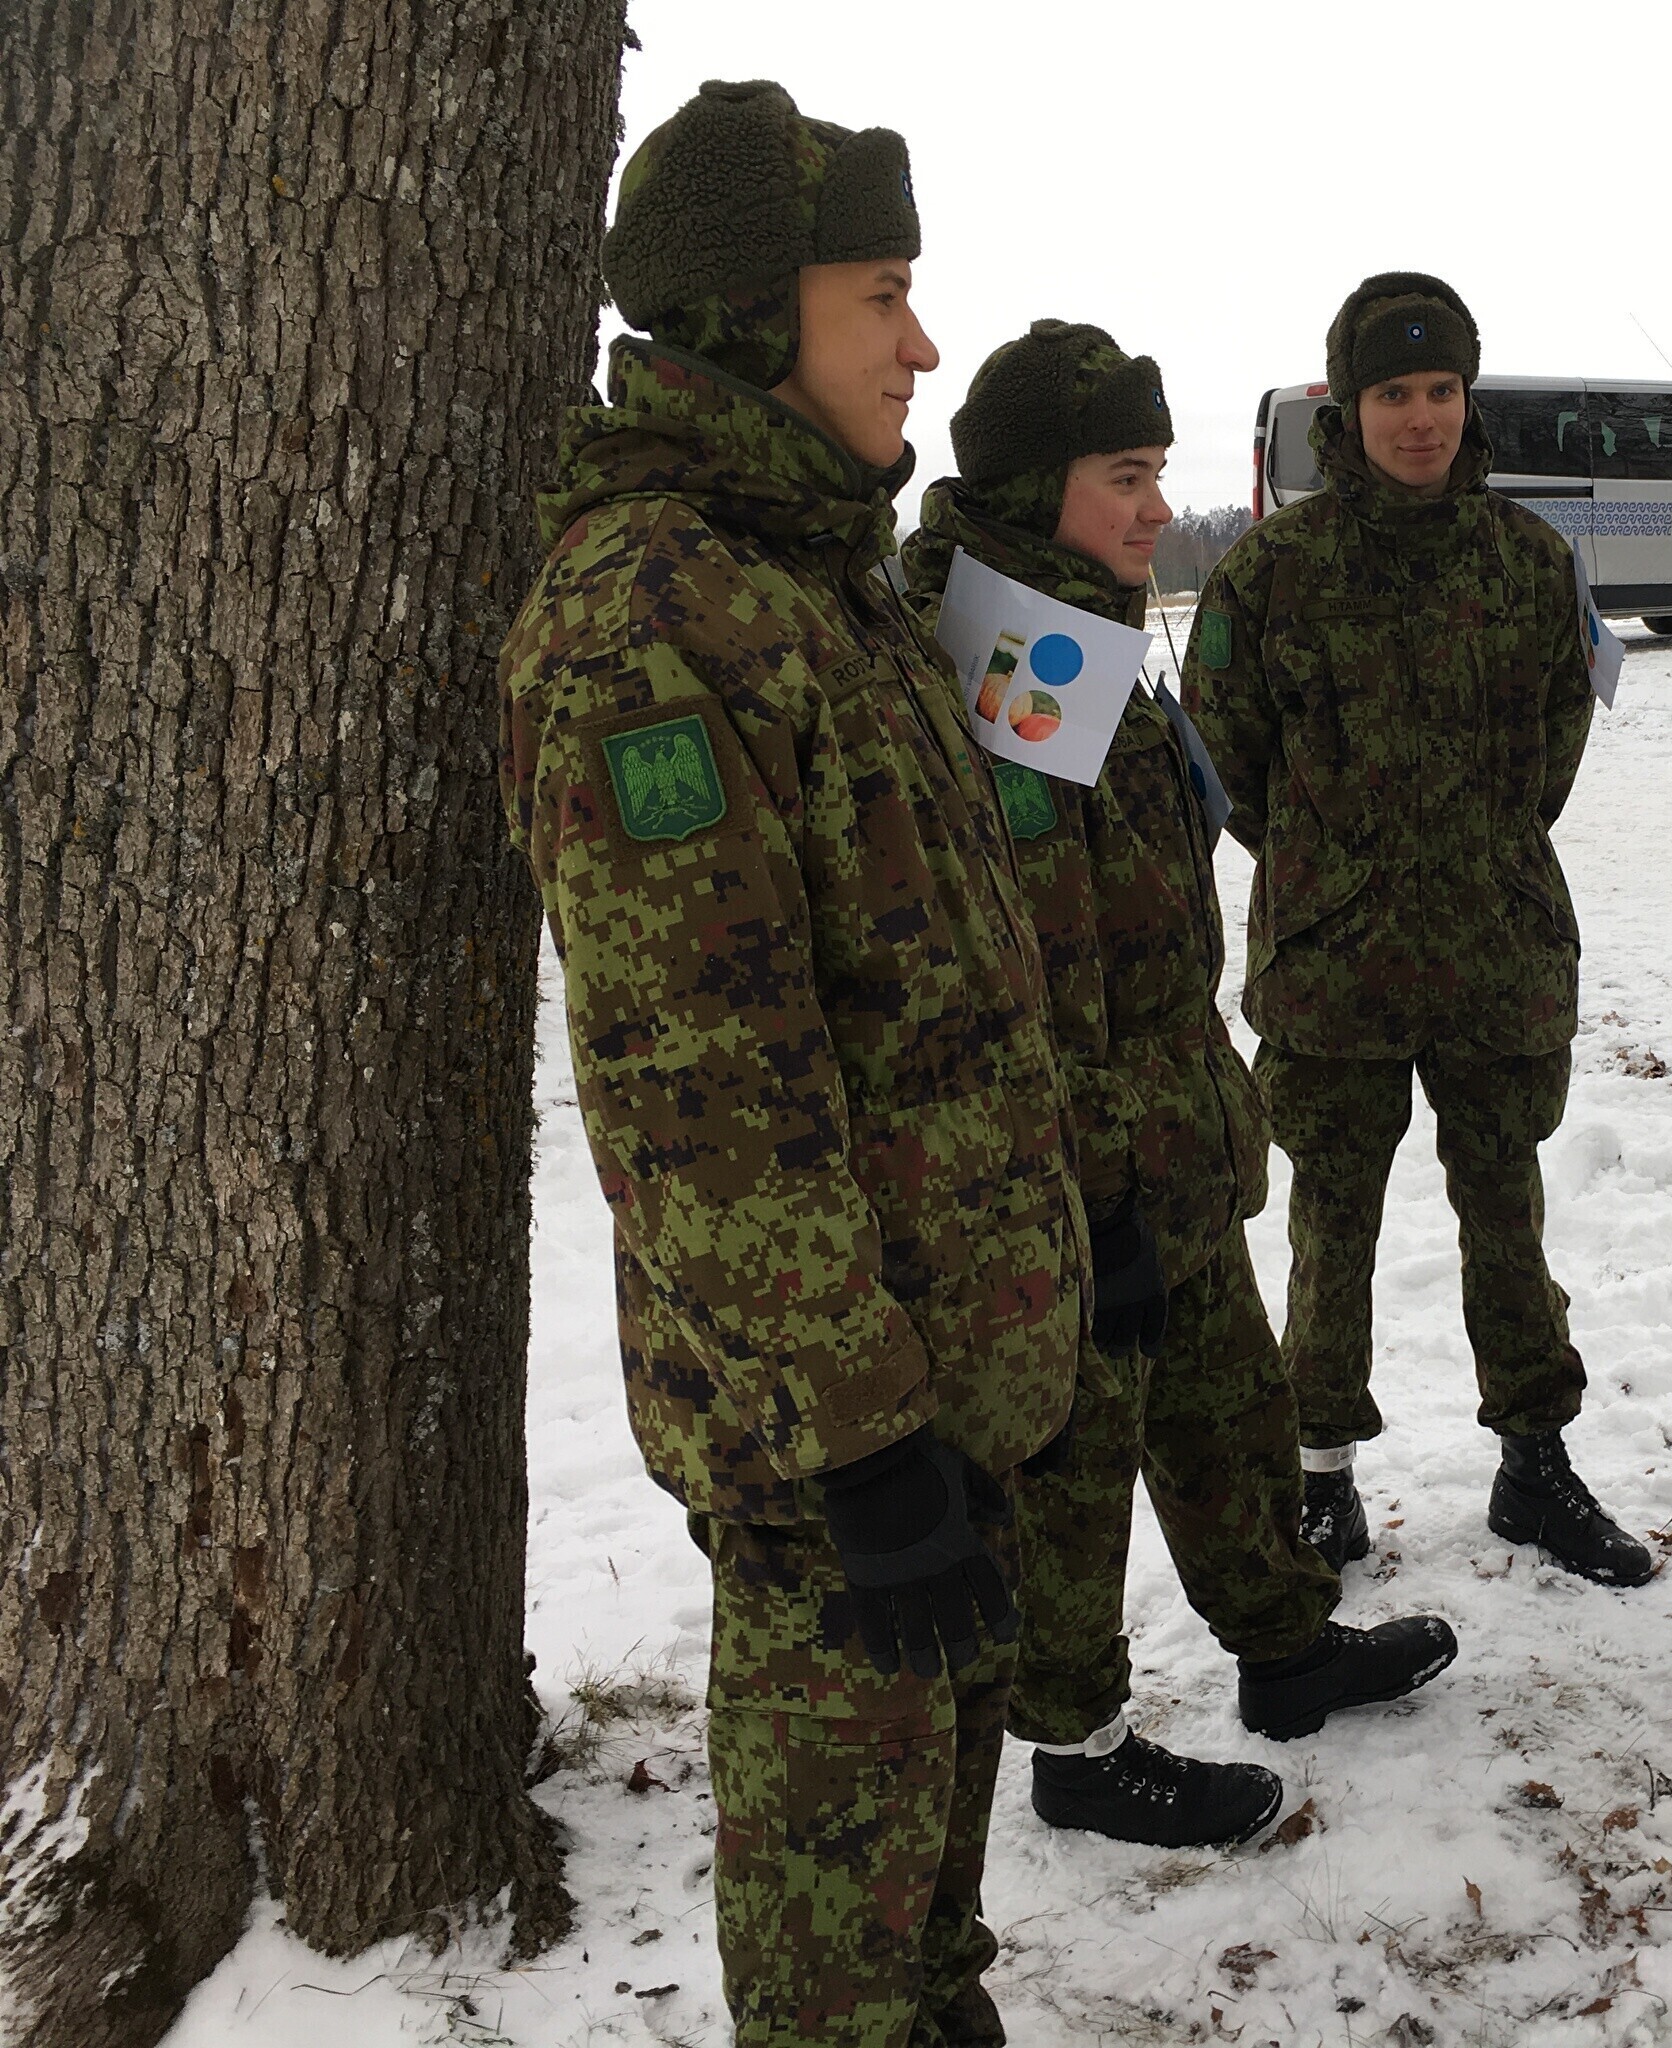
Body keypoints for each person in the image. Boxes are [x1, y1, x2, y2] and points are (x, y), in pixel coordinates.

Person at [500, 82, 1083, 2047]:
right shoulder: (654, 617)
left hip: (948, 1371)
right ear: (757, 320)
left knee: (928, 1910)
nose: (922, 344)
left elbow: (935, 981)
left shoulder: (819, 576)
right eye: (881, 296)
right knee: (839, 1950)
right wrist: (858, 1432)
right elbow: (699, 1090)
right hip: (837, 1438)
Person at [896, 321, 1457, 1847]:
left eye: (1158, 472)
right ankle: (1077, 1745)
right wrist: (1097, 1196)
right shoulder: (999, 660)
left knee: (1228, 1410)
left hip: (1169, 1141)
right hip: (1080, 1181)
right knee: (1078, 1464)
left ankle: (1283, 1642)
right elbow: (1026, 982)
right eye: (1125, 477)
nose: (1156, 507)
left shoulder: (1078, 630)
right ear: (1036, 487)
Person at [1183, 273, 1652, 1589]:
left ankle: (1536, 1462)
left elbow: (1557, 738)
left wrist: (1477, 852)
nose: (1422, 417)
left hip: (1497, 954)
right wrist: (1332, 866)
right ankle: (1320, 1474)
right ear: (1349, 407)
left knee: (1509, 1215)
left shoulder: (1528, 561)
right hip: (1333, 968)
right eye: (1394, 392)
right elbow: (1226, 761)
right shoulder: (1272, 574)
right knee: (1330, 1226)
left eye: (1442, 389)